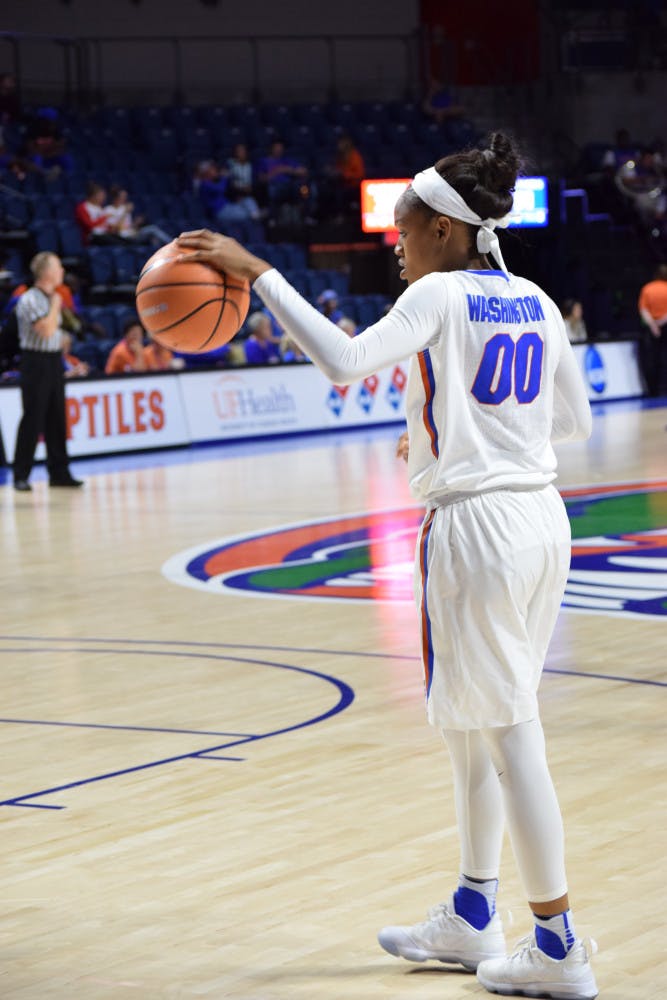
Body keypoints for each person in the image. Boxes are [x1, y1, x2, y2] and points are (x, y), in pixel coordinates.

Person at [177, 130, 598, 1000]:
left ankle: (557, 942)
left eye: (401, 235)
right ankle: (474, 913)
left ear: (441, 232)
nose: (396, 250)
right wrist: (477, 435)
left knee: (509, 729)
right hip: (539, 520)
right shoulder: (533, 297)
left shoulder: (440, 295)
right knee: (472, 726)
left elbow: (341, 361)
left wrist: (259, 275)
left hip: (477, 531)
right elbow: (575, 427)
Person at [12, 251, 83, 491]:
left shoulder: (54, 297)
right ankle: (21, 474)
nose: (63, 271)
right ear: (47, 272)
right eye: (59, 267)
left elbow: (59, 333)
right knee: (33, 418)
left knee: (57, 418)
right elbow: (45, 330)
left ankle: (59, 472)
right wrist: (55, 305)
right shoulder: (29, 298)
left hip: (53, 361)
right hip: (35, 362)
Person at [104, 185, 171, 247]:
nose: (125, 199)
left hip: (132, 234)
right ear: (116, 198)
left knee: (153, 237)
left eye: (125, 197)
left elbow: (129, 227)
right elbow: (114, 229)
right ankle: (172, 244)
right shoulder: (109, 210)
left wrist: (136, 223)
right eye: (123, 197)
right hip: (122, 238)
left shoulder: (123, 208)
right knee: (152, 229)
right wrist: (125, 213)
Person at [637, 262, 667, 396]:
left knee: (652, 359)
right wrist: (661, 322)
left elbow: (643, 310)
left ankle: (653, 390)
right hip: (664, 326)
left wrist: (653, 325)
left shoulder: (647, 288)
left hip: (651, 328)